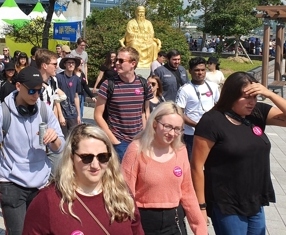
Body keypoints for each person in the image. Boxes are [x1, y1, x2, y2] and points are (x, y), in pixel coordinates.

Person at [0, 67, 65, 235]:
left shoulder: (44, 110)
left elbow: (59, 148)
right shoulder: (0, 114)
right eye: (32, 91)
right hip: (11, 184)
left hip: (42, 184)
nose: (36, 95)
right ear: (19, 86)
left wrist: (54, 138)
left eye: (39, 90)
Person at [191, 72, 286, 235]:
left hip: (255, 200)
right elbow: (196, 166)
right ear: (231, 95)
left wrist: (269, 93)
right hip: (227, 203)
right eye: (246, 97)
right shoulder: (212, 121)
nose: (252, 102)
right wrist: (201, 207)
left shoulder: (257, 113)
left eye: (255, 97)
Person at [23, 124, 144, 234]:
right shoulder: (48, 200)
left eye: (102, 157)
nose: (95, 165)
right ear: (71, 157)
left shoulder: (121, 192)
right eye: (87, 158)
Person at [122, 102, 207, 235]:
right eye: (167, 126)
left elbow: (188, 193)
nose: (172, 133)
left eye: (177, 129)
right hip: (144, 221)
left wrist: (200, 229)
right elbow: (126, 193)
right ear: (155, 124)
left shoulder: (180, 151)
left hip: (174, 221)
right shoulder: (136, 149)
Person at [94, 47, 153, 161]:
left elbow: (145, 113)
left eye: (121, 61)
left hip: (139, 140)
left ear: (133, 64)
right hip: (118, 141)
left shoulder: (144, 84)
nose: (116, 63)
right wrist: (115, 142)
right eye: (116, 60)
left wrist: (145, 135)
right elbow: (97, 115)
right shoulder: (108, 84)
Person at [175, 57, 219, 159]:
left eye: (203, 70)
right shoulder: (185, 90)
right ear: (190, 71)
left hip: (210, 133)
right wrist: (197, 125)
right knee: (192, 164)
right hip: (191, 134)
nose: (200, 73)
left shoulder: (213, 87)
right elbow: (179, 113)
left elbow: (218, 106)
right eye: (197, 70)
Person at [56, 56, 82, 137]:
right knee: (63, 138)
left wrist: (78, 115)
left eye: (73, 63)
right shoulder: (58, 77)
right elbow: (56, 97)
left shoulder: (76, 79)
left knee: (73, 138)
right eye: (69, 62)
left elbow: (76, 97)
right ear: (65, 64)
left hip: (73, 114)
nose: (71, 64)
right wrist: (60, 115)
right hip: (62, 112)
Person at [74, 56, 96, 121]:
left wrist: (92, 96)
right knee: (75, 113)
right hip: (74, 96)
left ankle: (80, 123)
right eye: (80, 64)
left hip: (82, 95)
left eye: (82, 64)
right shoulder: (72, 74)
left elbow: (85, 86)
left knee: (80, 113)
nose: (81, 65)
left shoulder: (82, 73)